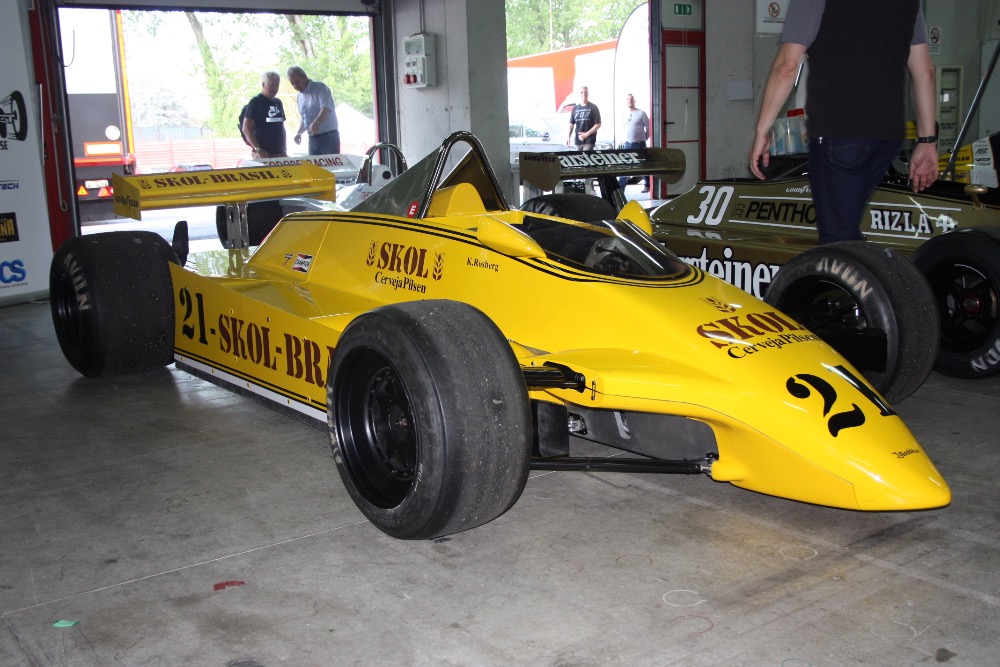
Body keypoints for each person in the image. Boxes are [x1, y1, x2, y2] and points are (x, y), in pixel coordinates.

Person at [748, 0, 939, 245]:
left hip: (840, 134)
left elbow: (787, 66)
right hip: (887, 138)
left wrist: (762, 130)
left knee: (838, 240)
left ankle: (857, 266)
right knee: (847, 229)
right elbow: (924, 72)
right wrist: (927, 141)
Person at [286, 66, 341, 155]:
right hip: (312, 139)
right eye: (292, 84)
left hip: (329, 137)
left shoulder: (320, 88)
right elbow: (304, 118)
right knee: (312, 164)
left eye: (297, 82)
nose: (295, 86)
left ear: (305, 77)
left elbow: (325, 108)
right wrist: (299, 133)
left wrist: (317, 122)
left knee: (330, 164)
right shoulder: (299, 97)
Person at [242, 70, 287, 158]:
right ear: (263, 84)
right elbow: (246, 128)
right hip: (262, 154)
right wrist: (258, 149)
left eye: (277, 85)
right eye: (272, 85)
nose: (275, 88)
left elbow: (282, 128)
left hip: (279, 153)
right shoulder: (256, 102)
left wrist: (284, 149)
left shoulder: (278, 102)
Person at [617, 93, 650, 192]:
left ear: (634, 101)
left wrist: (645, 137)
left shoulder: (641, 113)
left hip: (639, 143)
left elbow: (648, 127)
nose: (629, 101)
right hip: (628, 144)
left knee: (643, 165)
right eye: (628, 99)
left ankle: (647, 185)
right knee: (625, 166)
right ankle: (621, 188)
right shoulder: (624, 114)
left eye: (631, 99)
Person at [565, 86, 602, 152]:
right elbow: (571, 124)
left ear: (588, 93)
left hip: (589, 140)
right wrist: (568, 137)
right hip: (578, 141)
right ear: (579, 94)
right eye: (581, 92)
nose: (584, 94)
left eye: (585, 92)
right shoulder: (575, 108)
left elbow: (598, 124)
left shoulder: (593, 107)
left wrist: (586, 134)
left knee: (586, 156)